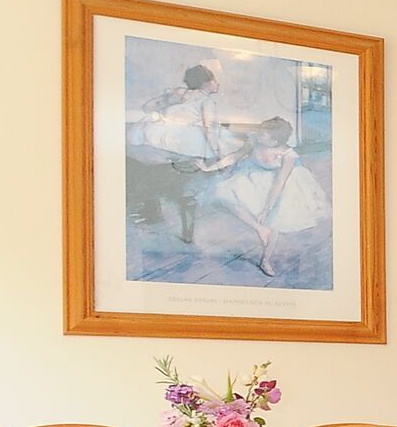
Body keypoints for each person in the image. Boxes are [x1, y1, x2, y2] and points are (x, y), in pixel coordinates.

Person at [200, 117, 329, 278]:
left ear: (274, 142)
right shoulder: (255, 140)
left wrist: (267, 209)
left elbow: (280, 182)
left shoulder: (288, 155)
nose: (259, 134)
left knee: (275, 218)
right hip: (254, 175)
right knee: (221, 193)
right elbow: (235, 156)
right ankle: (260, 228)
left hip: (282, 184)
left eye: (263, 134)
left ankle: (265, 259)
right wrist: (210, 168)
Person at [127, 63, 221, 244]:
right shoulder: (206, 101)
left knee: (157, 168)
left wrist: (167, 98)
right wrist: (216, 152)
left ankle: (152, 209)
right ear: (206, 82)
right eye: (214, 80)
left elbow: (147, 108)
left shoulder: (179, 94)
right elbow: (209, 128)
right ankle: (182, 226)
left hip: (154, 138)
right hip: (180, 144)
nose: (218, 84)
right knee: (191, 172)